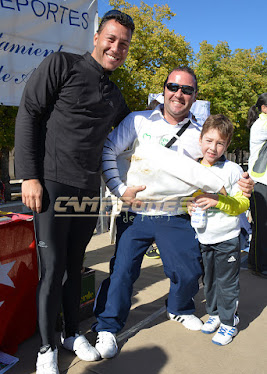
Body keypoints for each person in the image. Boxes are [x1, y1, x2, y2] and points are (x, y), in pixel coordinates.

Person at [92, 67, 254, 359]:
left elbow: (217, 169)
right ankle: (107, 326)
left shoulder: (199, 133)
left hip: (176, 213)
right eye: (173, 86)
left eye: (187, 89)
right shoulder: (137, 120)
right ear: (164, 89)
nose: (179, 94)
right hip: (136, 210)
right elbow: (108, 149)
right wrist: (118, 188)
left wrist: (242, 184)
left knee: (189, 271)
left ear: (194, 95)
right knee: (122, 271)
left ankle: (179, 308)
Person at [14, 9, 135, 374]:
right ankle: (47, 348)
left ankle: (70, 333)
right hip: (50, 184)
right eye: (111, 39)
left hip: (87, 189)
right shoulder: (61, 64)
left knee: (75, 264)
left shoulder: (115, 94)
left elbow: (141, 134)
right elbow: (29, 114)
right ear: (98, 36)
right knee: (52, 269)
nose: (116, 48)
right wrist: (29, 176)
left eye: (124, 44)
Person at [187, 114, 249, 345]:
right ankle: (214, 314)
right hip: (204, 237)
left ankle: (228, 323)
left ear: (227, 144)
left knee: (227, 282)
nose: (213, 147)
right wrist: (189, 207)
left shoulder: (233, 170)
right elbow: (186, 199)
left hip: (227, 238)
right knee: (210, 279)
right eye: (209, 140)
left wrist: (218, 201)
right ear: (201, 139)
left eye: (220, 143)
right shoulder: (191, 168)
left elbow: (242, 204)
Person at [247, 93, 267, 279]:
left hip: (264, 181)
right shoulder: (261, 125)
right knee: (261, 226)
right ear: (264, 108)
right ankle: (259, 265)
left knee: (262, 226)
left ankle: (256, 261)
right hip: (259, 182)